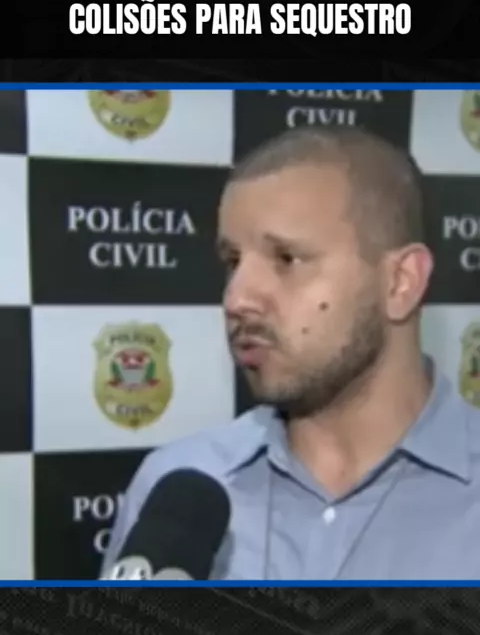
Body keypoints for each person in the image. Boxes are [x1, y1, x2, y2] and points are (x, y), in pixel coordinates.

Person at [102, 126, 480, 580]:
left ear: (401, 283)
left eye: (286, 259)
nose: (237, 298)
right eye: (232, 262)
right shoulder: (175, 493)